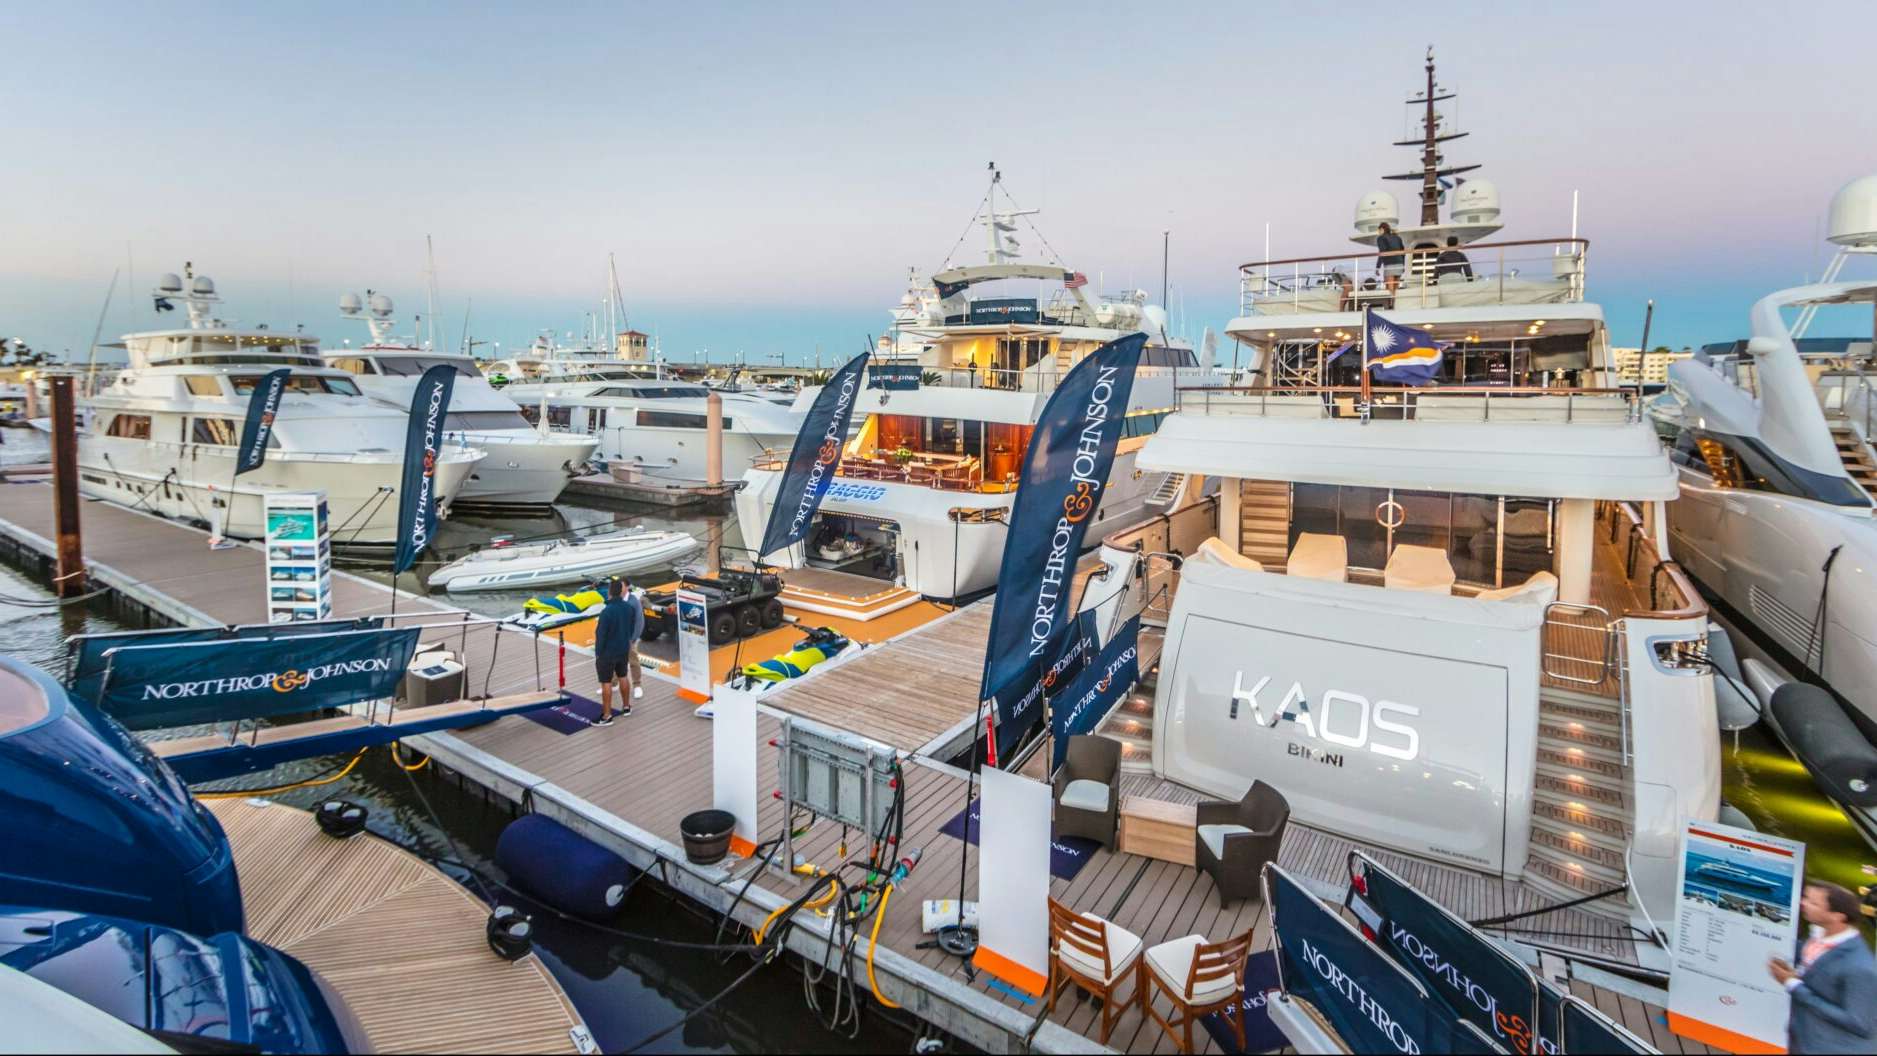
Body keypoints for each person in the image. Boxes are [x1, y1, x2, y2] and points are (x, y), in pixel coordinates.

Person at [1768, 880, 1877, 1052]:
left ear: (1837, 916)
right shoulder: (1814, 939)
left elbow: (1859, 1023)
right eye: (1806, 897)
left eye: (1813, 903)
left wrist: (1794, 986)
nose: (1802, 903)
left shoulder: (1860, 965)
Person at [591, 577, 644, 725]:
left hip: (607, 653)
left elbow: (600, 635)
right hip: (623, 649)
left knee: (606, 682)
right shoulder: (628, 608)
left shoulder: (606, 612)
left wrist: (598, 653)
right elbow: (632, 625)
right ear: (621, 591)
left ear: (609, 593)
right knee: (623, 676)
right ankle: (626, 707)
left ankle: (607, 716)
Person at [1374, 222, 1406, 298]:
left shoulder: (1381, 238)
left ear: (1382, 229)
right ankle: (1395, 304)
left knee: (1389, 286)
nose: (1378, 232)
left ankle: (1391, 305)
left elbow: (1382, 252)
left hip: (1390, 264)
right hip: (1399, 263)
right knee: (1396, 287)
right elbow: (1403, 252)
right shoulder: (1397, 237)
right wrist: (1403, 265)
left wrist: (1377, 267)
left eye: (1379, 230)